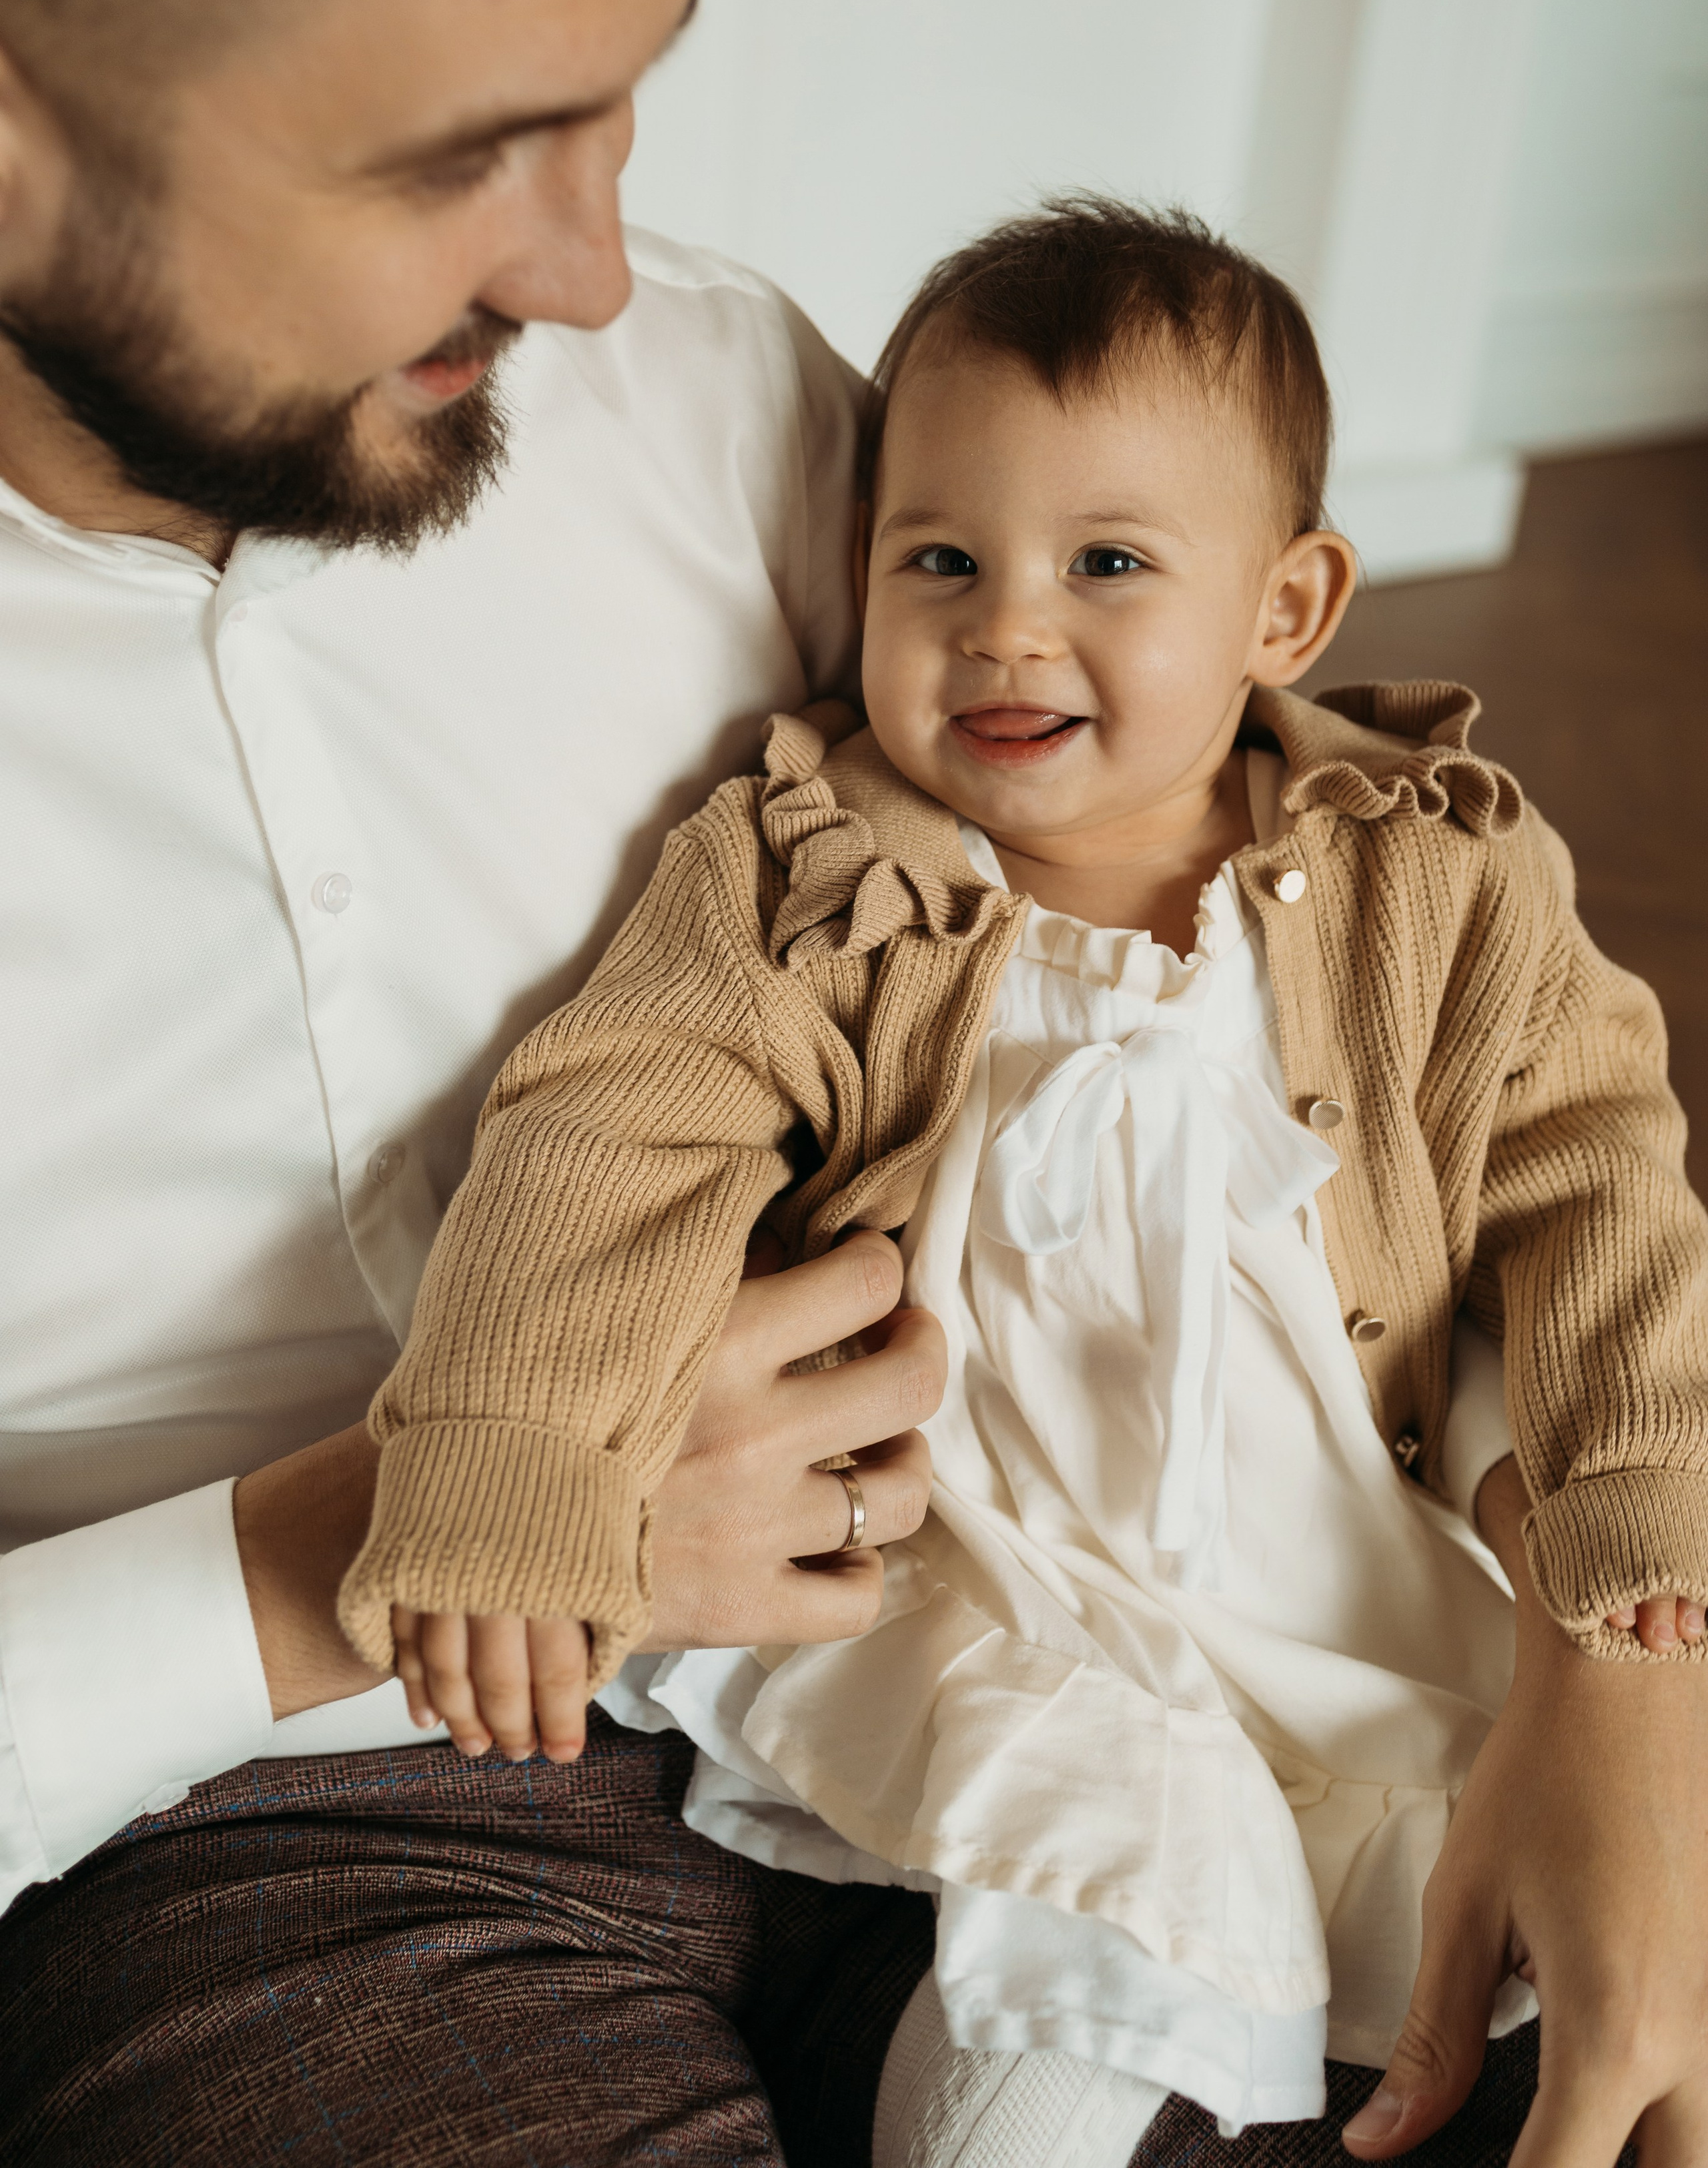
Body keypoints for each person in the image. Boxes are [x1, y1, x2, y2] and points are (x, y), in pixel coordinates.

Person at [337, 201, 1708, 2168]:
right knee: (1062, 2026)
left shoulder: (1435, 879)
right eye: (942, 560)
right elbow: (605, 1137)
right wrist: (511, 1455)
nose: (1007, 627)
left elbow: (1602, 1197)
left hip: (1337, 1581)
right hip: (998, 1596)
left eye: (1111, 565)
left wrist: (1641, 1518)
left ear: (1286, 612)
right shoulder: (816, 877)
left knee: (1534, 1985)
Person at [0, 0, 945, 2163]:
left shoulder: (741, 405)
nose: (590, 274)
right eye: (454, 159)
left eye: (624, 101)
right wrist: (365, 1551)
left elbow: (1327, 927)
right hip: (256, 1826)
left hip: (1008, 1623)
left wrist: (1625, 1670)